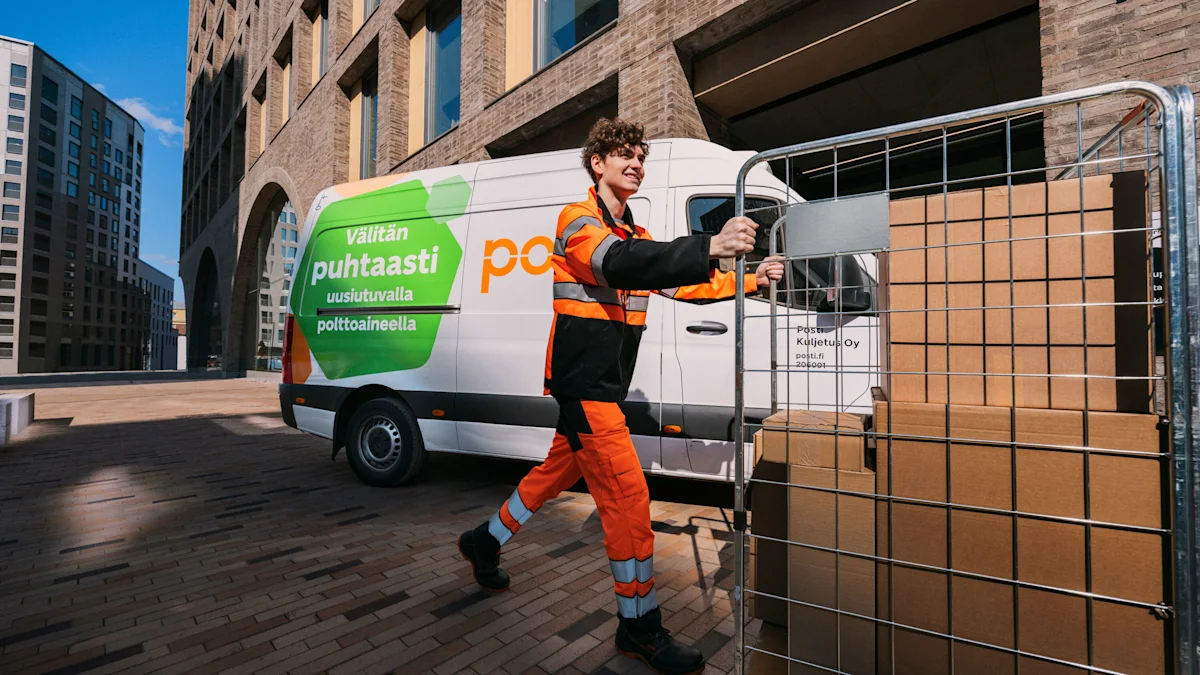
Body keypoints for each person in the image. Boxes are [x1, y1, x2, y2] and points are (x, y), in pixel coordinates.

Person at [459, 118, 784, 675]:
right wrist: (710, 243)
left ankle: (484, 541)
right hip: (584, 387)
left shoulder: (636, 236)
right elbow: (615, 262)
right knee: (629, 499)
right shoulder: (578, 221)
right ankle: (638, 625)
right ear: (598, 163)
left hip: (601, 387)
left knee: (554, 474)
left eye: (640, 157)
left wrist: (752, 279)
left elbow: (684, 283)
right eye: (624, 155)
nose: (635, 164)